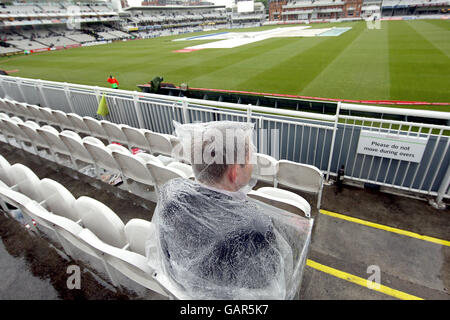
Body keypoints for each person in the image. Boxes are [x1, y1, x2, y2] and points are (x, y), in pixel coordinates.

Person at [146, 121, 310, 300]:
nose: (252, 162)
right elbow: (271, 288)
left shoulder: (171, 196)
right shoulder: (256, 227)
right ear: (234, 173)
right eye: (249, 159)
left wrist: (282, 220)